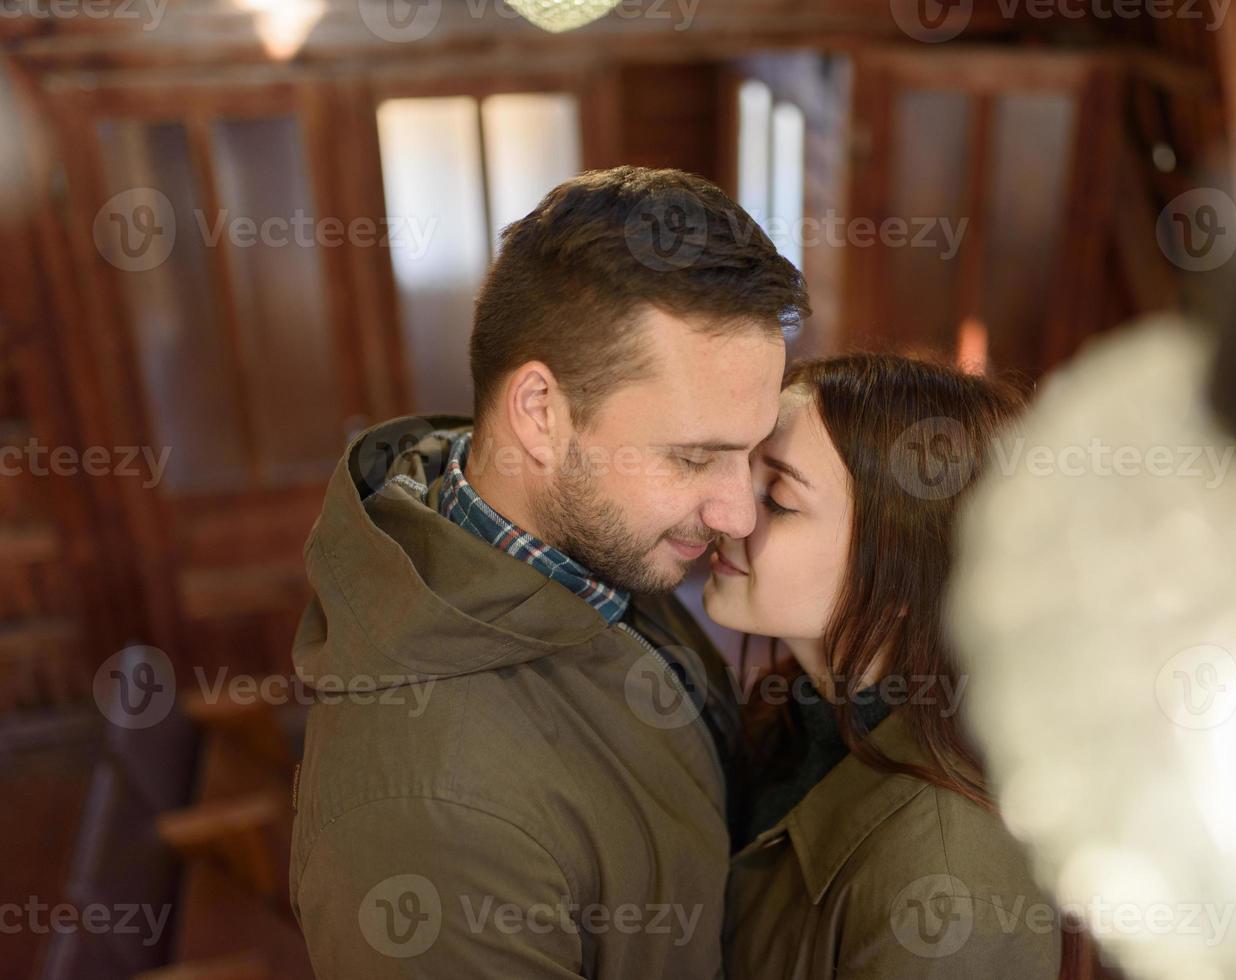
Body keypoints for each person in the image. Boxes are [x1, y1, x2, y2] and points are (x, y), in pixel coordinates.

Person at [289, 166, 809, 977]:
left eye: (751, 455)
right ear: (540, 413)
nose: (738, 514)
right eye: (695, 457)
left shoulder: (598, 552)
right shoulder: (425, 821)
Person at [705, 354, 1065, 979]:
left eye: (779, 500)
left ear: (903, 570)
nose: (726, 512)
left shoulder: (951, 885)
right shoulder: (791, 711)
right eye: (739, 473)